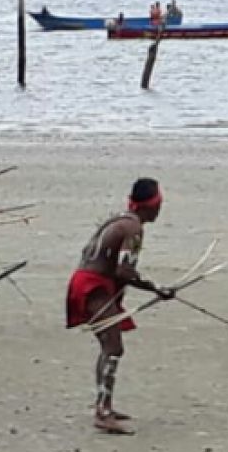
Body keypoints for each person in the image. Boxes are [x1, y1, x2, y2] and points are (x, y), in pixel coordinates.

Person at [65, 178, 174, 434]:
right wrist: (155, 288)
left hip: (88, 282)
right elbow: (124, 271)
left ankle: (105, 406)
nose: (160, 209)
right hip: (94, 286)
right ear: (152, 205)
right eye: (159, 204)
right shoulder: (133, 228)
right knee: (113, 347)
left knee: (110, 346)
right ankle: (102, 412)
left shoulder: (120, 220)